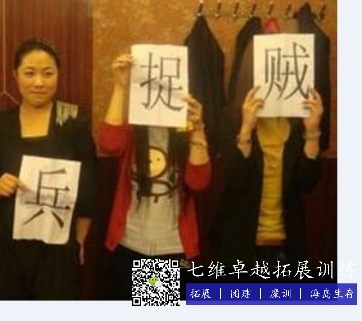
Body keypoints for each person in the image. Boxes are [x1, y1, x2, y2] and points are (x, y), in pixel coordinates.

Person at [0, 38, 97, 300]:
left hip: (58, 249)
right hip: (7, 249)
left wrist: (78, 241)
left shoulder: (74, 120)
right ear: (15, 75)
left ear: (59, 75)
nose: (39, 82)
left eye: (48, 73)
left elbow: (88, 192)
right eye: (29, 73)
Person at [98, 53, 212, 300]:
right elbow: (109, 143)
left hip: (169, 248)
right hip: (128, 244)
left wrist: (198, 128)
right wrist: (120, 87)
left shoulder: (185, 133)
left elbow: (198, 181)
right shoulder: (133, 130)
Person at [211, 83, 324, 276]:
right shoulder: (232, 116)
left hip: (287, 244)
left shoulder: (298, 118)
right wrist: (246, 128)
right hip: (239, 242)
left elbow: (307, 182)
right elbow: (235, 179)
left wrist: (312, 132)